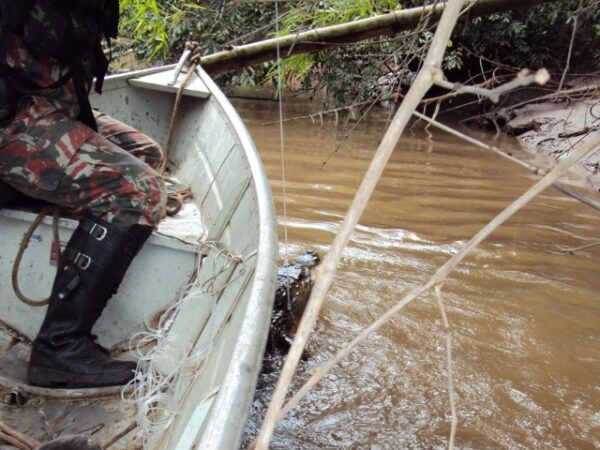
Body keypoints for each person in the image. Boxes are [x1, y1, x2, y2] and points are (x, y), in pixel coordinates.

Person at [0, 0, 167, 388]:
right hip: (11, 119)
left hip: (48, 105)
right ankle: (60, 348)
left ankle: (36, 188)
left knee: (147, 155)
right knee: (137, 192)